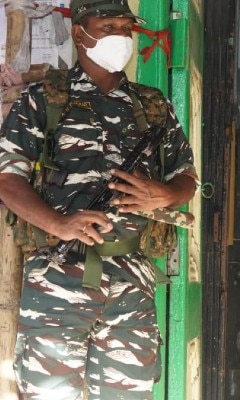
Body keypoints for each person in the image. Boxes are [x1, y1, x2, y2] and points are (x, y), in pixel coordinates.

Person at [0, 0, 198, 398]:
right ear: (80, 33)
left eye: (126, 28)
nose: (121, 37)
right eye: (109, 26)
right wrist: (57, 223)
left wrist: (165, 194)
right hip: (57, 277)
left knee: (128, 393)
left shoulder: (153, 105)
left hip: (133, 277)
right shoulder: (43, 100)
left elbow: (187, 178)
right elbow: (7, 179)